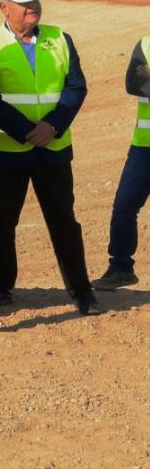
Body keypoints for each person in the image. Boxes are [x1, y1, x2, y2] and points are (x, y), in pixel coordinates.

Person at [0, 0, 100, 315]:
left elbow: (76, 86)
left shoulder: (61, 39)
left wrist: (52, 126)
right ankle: (1, 285)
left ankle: (81, 289)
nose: (33, 7)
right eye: (25, 3)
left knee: (64, 220)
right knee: (2, 221)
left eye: (35, 2)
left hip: (53, 150)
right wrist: (26, 130)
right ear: (4, 7)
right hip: (6, 152)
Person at [93, 33, 150, 290]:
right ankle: (121, 268)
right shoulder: (147, 43)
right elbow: (134, 82)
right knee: (124, 208)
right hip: (144, 147)